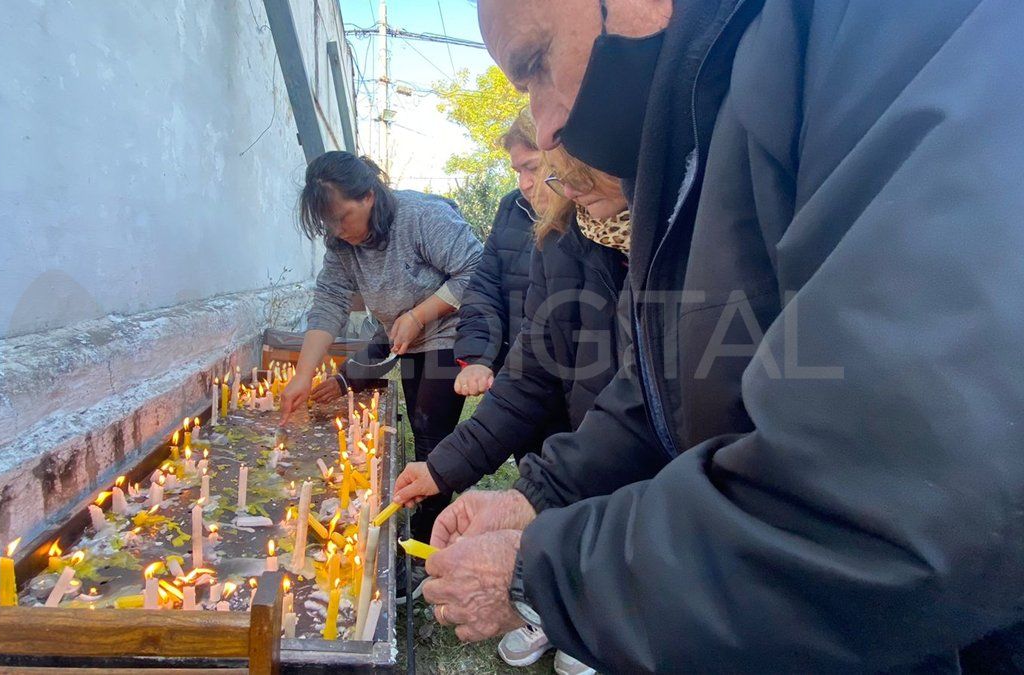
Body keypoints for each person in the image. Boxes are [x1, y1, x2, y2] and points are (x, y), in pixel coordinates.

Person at [419, 0, 1024, 672]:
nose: (549, 124)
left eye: (536, 66)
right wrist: (537, 496)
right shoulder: (698, 131)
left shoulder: (884, 29)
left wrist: (548, 573)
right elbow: (669, 380)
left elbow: (901, 496)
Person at [396, 145, 630, 674]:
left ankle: (580, 613)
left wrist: (523, 559)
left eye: (546, 168)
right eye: (533, 169)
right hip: (584, 434)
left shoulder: (681, 234)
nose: (543, 184)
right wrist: (445, 466)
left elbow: (656, 412)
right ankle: (558, 610)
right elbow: (534, 372)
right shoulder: (560, 236)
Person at [280, 151, 482, 553]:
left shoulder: (421, 217)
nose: (337, 231)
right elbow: (330, 303)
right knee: (423, 429)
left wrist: (420, 314)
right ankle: (423, 516)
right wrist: (303, 374)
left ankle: (428, 543)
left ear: (369, 196)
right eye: (328, 224)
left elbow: (478, 267)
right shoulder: (341, 245)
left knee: (431, 435)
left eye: (342, 218)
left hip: (451, 330)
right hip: (405, 334)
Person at [451, 107, 547, 399]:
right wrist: (477, 357)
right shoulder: (512, 207)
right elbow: (484, 288)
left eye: (534, 167)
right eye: (518, 171)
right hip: (519, 379)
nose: (524, 184)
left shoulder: (595, 212)